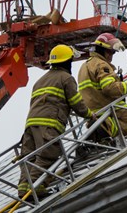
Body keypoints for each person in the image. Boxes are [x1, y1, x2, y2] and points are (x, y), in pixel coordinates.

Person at [17, 44, 95, 201]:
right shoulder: (66, 78)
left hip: (31, 126)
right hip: (49, 124)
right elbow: (76, 103)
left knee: (29, 158)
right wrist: (90, 115)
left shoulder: (39, 81)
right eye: (71, 61)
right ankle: (36, 187)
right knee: (48, 154)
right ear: (66, 61)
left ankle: (23, 189)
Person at [78, 33, 127, 144]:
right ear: (101, 50)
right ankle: (105, 128)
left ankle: (100, 128)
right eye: (110, 52)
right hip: (106, 107)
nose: (112, 55)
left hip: (93, 110)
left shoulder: (84, 66)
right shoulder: (101, 65)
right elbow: (109, 88)